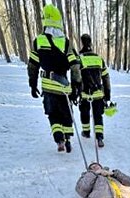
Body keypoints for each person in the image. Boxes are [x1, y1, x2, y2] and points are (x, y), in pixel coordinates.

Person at [27, 4, 82, 153]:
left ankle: (59, 140)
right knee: (66, 113)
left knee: (53, 114)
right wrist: (77, 85)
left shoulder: (38, 41)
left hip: (48, 86)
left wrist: (32, 84)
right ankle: (68, 138)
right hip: (64, 86)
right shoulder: (65, 42)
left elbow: (32, 65)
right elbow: (75, 66)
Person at [77, 34, 111, 148]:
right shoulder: (99, 58)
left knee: (85, 113)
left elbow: (76, 78)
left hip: (85, 93)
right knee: (98, 115)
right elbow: (106, 78)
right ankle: (99, 137)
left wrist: (75, 92)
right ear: (91, 43)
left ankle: (86, 132)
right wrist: (107, 94)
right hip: (98, 93)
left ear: (82, 42)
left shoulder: (79, 58)